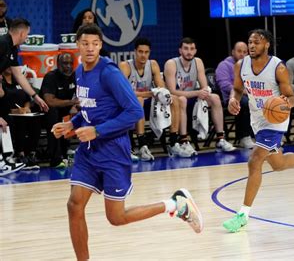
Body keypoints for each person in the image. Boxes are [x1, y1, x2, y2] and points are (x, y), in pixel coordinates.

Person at [51, 24, 203, 260]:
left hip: (113, 150)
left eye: (95, 44)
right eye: (85, 44)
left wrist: (97, 131)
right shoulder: (80, 70)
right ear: (78, 46)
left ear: (101, 46)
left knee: (116, 217)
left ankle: (175, 204)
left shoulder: (109, 73)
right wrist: (73, 124)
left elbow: (133, 112)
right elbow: (92, 107)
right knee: (74, 205)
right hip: (89, 151)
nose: (90, 48)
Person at [222, 29, 294, 233]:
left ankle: (242, 214)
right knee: (278, 164)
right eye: (250, 42)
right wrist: (233, 99)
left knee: (254, 160)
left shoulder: (278, 67)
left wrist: (286, 103)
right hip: (257, 119)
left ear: (267, 44)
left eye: (257, 42)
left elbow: (291, 97)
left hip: (275, 121)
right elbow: (238, 89)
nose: (252, 45)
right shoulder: (241, 65)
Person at [164, 37, 235, 154]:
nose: (189, 52)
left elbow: (204, 87)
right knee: (182, 99)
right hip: (176, 100)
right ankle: (184, 141)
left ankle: (220, 139)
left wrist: (203, 92)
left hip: (193, 97)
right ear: (180, 51)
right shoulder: (171, 64)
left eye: (192, 49)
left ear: (195, 51)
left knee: (215, 98)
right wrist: (197, 93)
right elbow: (172, 91)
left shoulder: (198, 62)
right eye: (186, 48)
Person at [119, 37, 183, 159]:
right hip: (128, 104)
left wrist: (157, 93)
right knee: (139, 100)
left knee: (174, 99)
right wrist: (150, 93)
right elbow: (125, 93)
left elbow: (161, 88)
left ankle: (174, 143)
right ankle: (142, 146)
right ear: (135, 52)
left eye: (146, 52)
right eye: (140, 52)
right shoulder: (125, 66)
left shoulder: (153, 64)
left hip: (149, 103)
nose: (143, 55)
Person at [0, 18, 48, 112]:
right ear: (21, 34)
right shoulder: (2, 43)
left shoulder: (13, 48)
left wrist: (35, 96)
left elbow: (19, 75)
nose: (26, 38)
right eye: (27, 34)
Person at [40, 53, 79, 168]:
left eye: (71, 63)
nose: (68, 66)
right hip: (46, 113)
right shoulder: (51, 77)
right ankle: (55, 159)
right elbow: (50, 101)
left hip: (65, 112)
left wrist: (77, 106)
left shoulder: (75, 76)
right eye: (65, 63)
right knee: (54, 114)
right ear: (58, 64)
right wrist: (72, 102)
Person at [216, 41, 254, 149]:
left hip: (249, 96)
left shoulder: (250, 66)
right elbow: (224, 85)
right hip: (229, 99)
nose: (242, 54)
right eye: (239, 51)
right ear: (233, 52)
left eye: (245, 52)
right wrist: (242, 91)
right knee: (244, 102)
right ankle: (244, 137)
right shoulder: (224, 65)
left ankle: (269, 136)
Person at [2, 67, 40, 169]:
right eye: (7, 65)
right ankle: (20, 154)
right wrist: (13, 111)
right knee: (19, 121)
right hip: (7, 113)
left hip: (22, 112)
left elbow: (27, 98)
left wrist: (26, 108)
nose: (10, 67)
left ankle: (31, 153)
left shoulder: (19, 80)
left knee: (35, 120)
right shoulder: (1, 81)